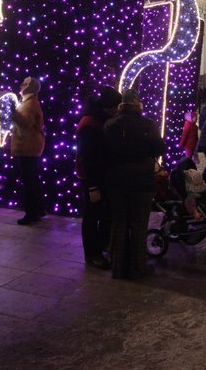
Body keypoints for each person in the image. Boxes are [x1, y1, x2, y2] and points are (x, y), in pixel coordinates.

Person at [104, 90, 164, 279]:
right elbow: (159, 148)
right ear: (138, 105)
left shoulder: (110, 125)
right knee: (139, 225)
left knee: (119, 223)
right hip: (142, 182)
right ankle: (137, 268)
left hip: (116, 182)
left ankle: (118, 268)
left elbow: (103, 151)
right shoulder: (148, 125)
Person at [76, 87, 122, 270]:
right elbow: (88, 157)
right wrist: (93, 187)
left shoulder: (99, 120)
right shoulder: (90, 124)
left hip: (101, 175)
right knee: (91, 215)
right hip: (92, 178)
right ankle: (92, 254)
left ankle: (101, 247)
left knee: (101, 213)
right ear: (107, 107)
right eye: (116, 106)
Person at [11, 77, 46, 225]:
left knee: (29, 182)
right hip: (30, 147)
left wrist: (13, 112)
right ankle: (38, 209)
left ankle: (31, 214)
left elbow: (25, 123)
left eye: (24, 84)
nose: (20, 86)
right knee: (33, 180)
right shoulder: (30, 102)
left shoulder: (30, 104)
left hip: (27, 147)